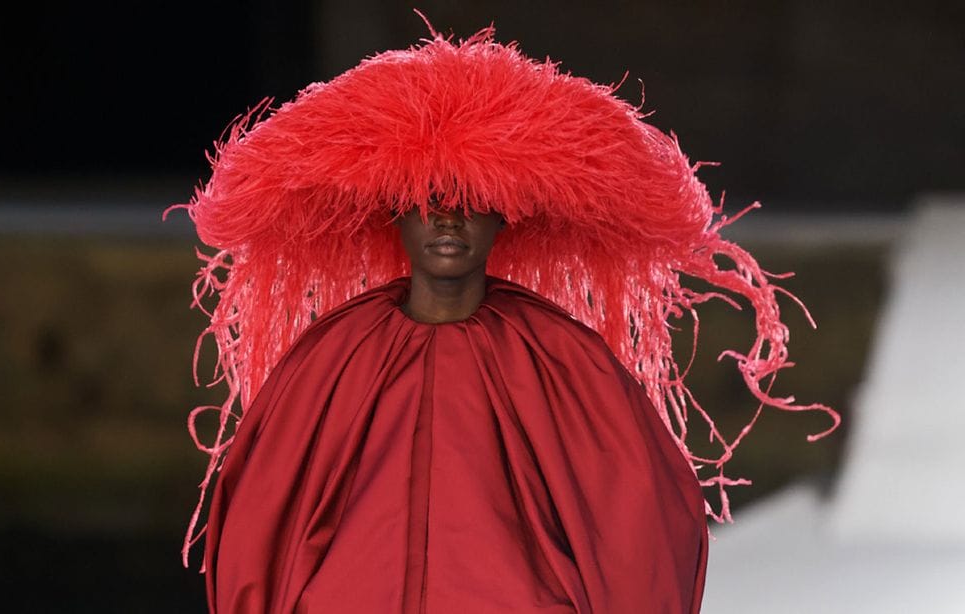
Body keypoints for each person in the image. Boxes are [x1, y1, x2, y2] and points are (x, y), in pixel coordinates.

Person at [173, 15, 838, 614]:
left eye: (472, 197)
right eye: (427, 196)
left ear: (506, 213)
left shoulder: (559, 360)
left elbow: (639, 516)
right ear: (395, 212)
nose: (447, 218)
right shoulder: (333, 361)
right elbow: (264, 519)